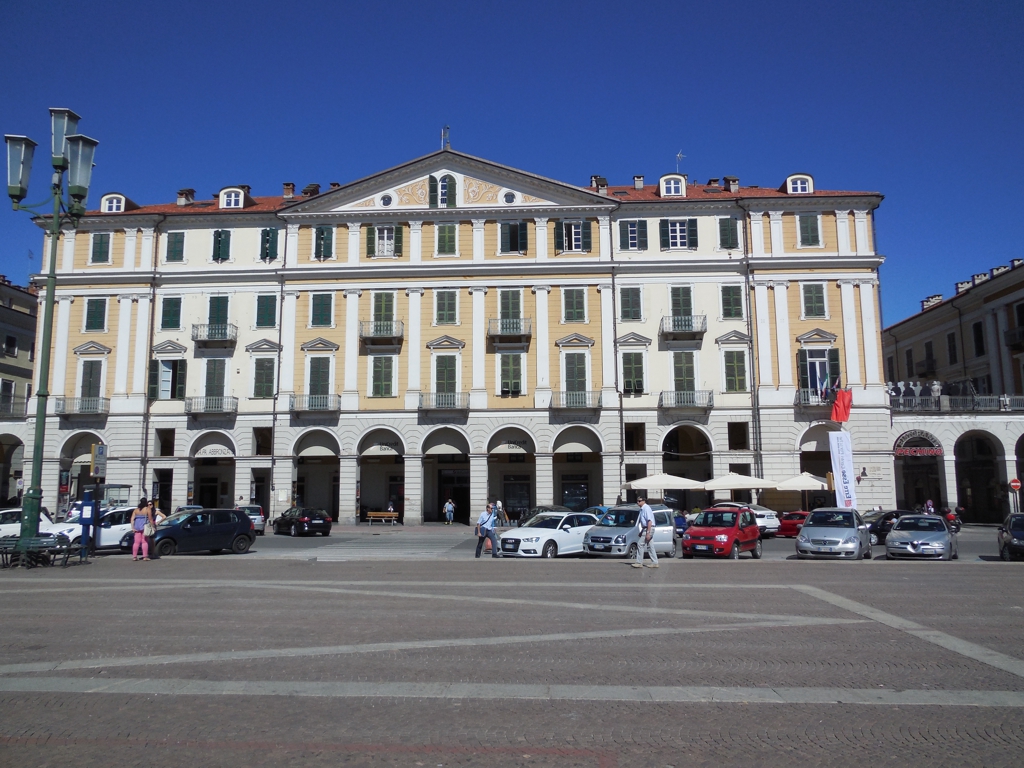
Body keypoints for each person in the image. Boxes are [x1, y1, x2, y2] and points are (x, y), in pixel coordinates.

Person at [632, 494, 658, 568]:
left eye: (639, 501)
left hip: (649, 528)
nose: (638, 502)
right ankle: (655, 562)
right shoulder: (642, 509)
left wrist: (648, 533)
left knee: (640, 544)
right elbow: (644, 523)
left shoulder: (646, 508)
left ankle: (639, 562)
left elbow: (649, 521)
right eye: (637, 501)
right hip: (646, 528)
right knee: (650, 546)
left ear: (644, 501)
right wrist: (641, 532)